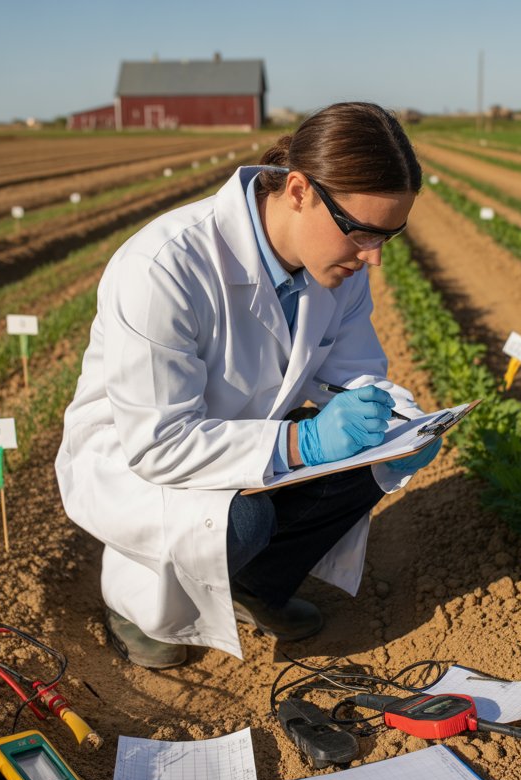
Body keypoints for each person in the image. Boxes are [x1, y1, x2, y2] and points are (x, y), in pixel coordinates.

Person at [55, 102, 441, 668]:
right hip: (143, 460)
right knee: (243, 516)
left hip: (242, 435)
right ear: (299, 190)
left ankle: (255, 587)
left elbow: (356, 376)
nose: (374, 257)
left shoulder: (339, 271)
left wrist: (402, 423)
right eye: (361, 232)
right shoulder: (164, 266)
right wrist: (304, 444)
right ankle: (139, 610)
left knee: (370, 455)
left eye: (389, 235)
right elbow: (159, 443)